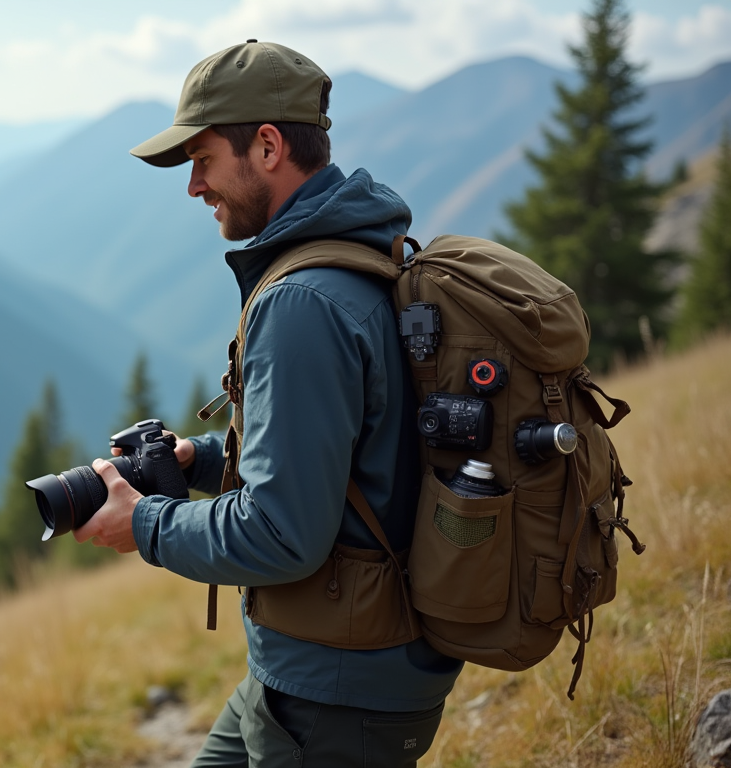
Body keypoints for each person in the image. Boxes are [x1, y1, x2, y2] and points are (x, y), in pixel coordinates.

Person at [73, 40, 463, 766]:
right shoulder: (368, 248)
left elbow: (283, 534)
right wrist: (199, 460)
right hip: (315, 671)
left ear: (269, 146)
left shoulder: (303, 301)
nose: (193, 185)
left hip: (336, 697)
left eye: (203, 159)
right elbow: (355, 452)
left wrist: (146, 523)